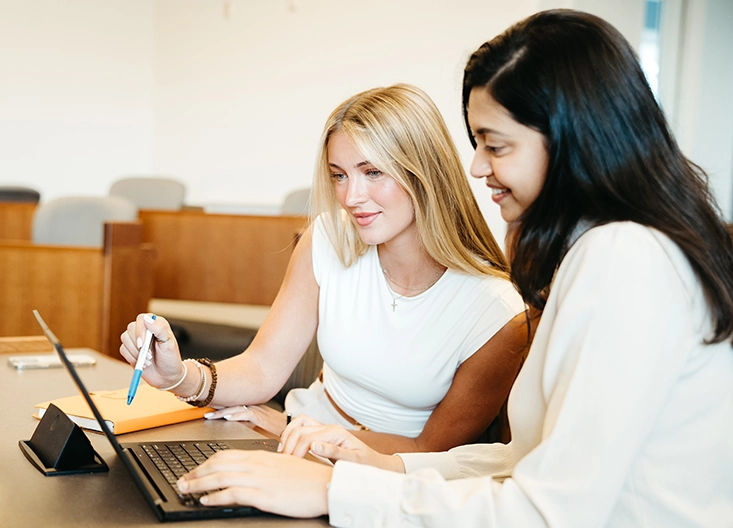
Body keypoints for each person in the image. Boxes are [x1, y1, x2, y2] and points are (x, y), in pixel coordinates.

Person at [172, 9, 733, 526]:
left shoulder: (626, 260)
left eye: (495, 145)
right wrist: (375, 468)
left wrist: (331, 491)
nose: (476, 165)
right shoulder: (611, 251)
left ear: (571, 139)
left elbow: (547, 511)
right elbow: (520, 463)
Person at [120, 83, 528, 455]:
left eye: (372, 172)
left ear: (425, 173)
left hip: (380, 466)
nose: (351, 197)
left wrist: (295, 429)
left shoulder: (496, 312)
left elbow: (432, 448)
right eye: (339, 176)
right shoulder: (330, 236)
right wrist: (179, 376)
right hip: (297, 433)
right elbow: (263, 366)